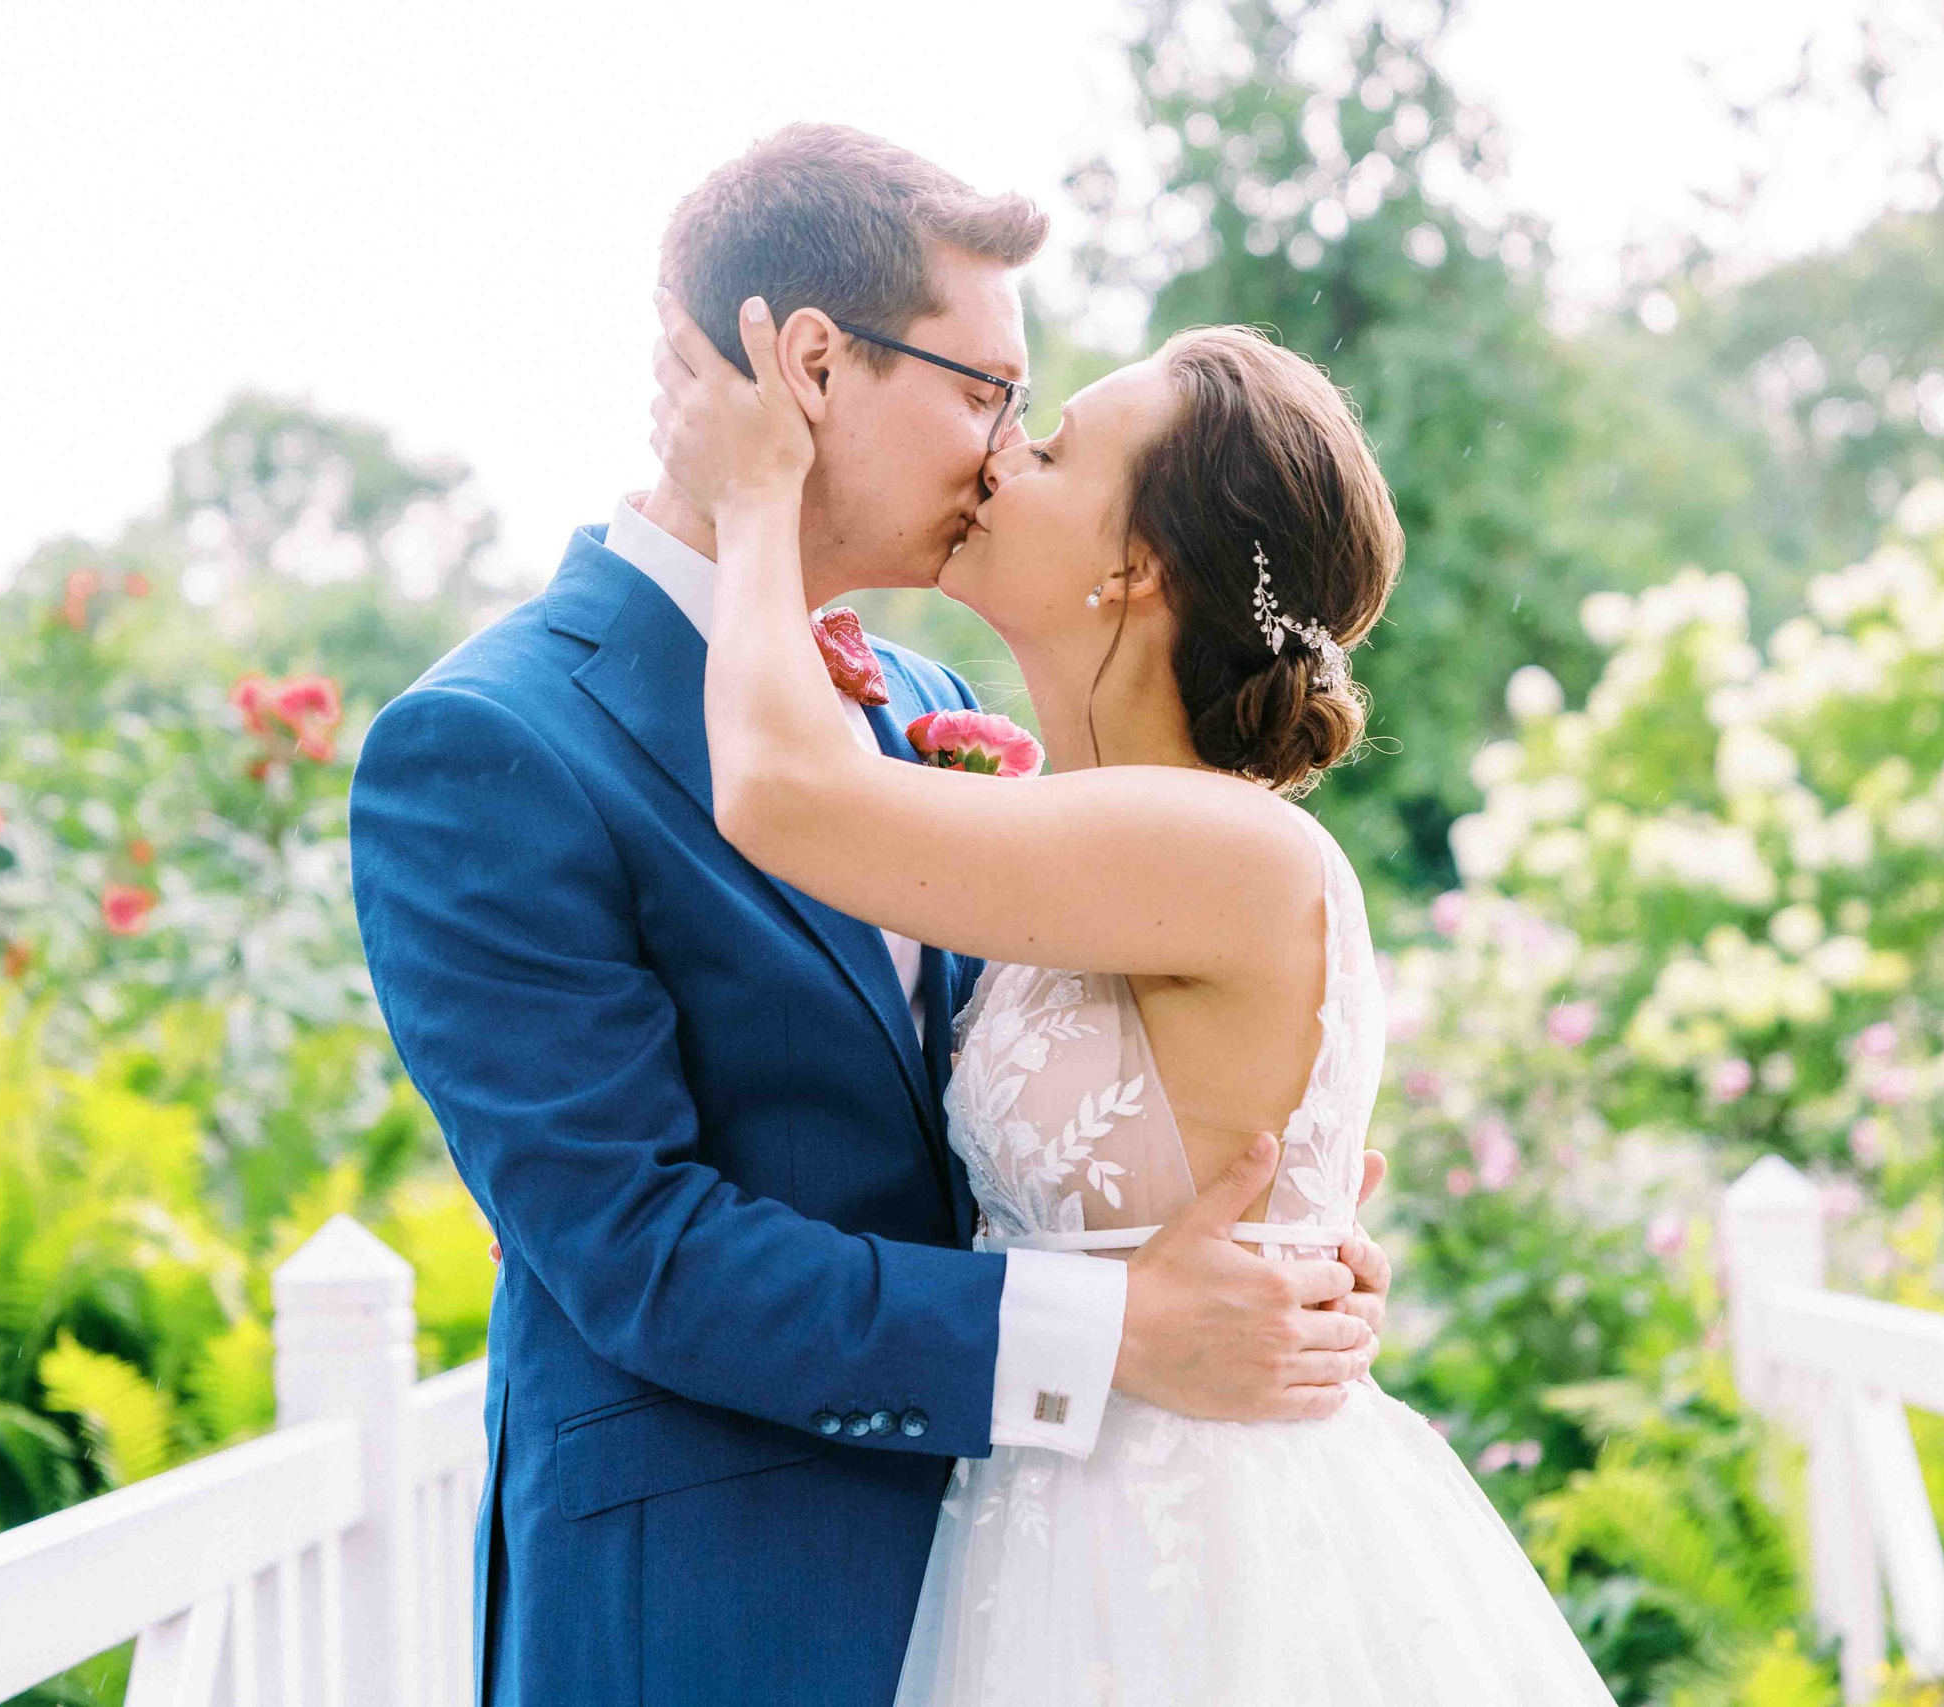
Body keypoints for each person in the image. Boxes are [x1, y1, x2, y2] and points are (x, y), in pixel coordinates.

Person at [347, 123, 1394, 1707]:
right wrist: (1117, 1321)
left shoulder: (915, 708)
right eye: (986, 394)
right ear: (815, 368)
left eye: (1031, 423)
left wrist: (1279, 1259)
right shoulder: (489, 746)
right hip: (721, 1619)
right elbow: (641, 1252)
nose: (998, 452)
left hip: (1061, 1590)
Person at [642, 273, 1618, 1699]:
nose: (998, 455)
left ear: (1137, 566)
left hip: (1201, 1564)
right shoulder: (1073, 840)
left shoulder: (1218, 840)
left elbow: (785, 791)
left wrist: (752, 501)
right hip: (1049, 1526)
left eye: (1050, 449)